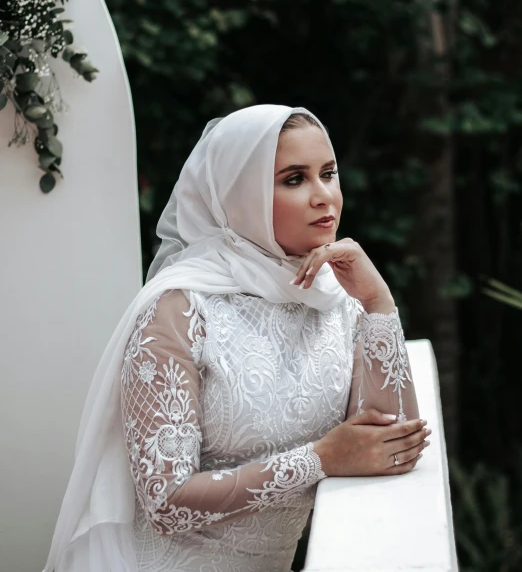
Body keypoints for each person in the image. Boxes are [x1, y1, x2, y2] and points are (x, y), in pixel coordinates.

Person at [44, 104, 429, 572]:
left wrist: (379, 303)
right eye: (293, 179)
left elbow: (393, 444)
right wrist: (320, 460)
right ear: (240, 195)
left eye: (328, 173)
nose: (324, 196)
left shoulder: (336, 298)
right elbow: (166, 502)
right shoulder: (180, 309)